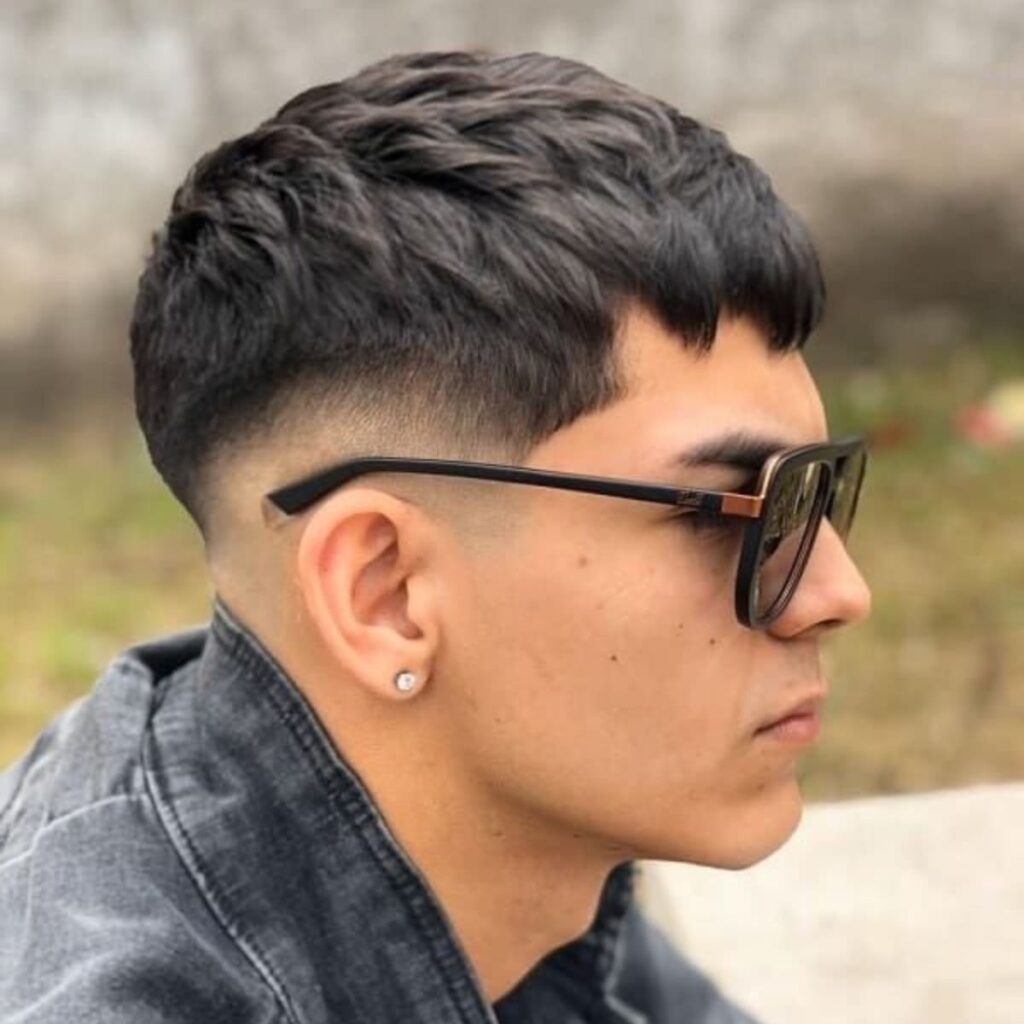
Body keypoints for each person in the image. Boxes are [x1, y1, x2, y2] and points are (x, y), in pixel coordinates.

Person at [0, 49, 871, 1023]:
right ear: (386, 593)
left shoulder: (512, 857)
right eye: (733, 515)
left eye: (817, 490)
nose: (835, 590)